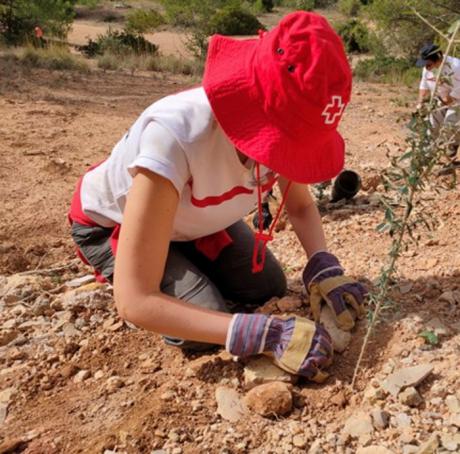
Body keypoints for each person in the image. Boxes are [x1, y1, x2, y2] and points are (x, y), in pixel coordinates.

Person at [68, 12, 367, 383]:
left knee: (267, 287)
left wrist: (322, 265)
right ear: (258, 113)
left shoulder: (286, 122)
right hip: (111, 222)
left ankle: (185, 262)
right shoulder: (176, 136)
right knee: (200, 321)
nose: (286, 160)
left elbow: (301, 205)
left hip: (191, 221)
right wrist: (257, 335)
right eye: (285, 143)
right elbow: (135, 301)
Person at [416, 43, 460, 157]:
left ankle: (453, 143)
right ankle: (427, 154)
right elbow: (424, 85)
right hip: (440, 98)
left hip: (457, 101)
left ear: (438, 59)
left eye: (428, 64)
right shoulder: (428, 68)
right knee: (431, 125)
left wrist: (447, 100)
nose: (426, 67)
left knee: (449, 124)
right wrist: (420, 103)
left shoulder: (456, 67)